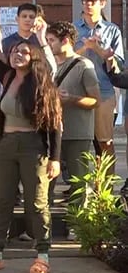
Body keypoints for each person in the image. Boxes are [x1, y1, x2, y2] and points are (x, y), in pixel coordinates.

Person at [0, 3, 62, 273]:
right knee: (2, 200)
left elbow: (54, 123)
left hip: (33, 148)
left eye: (23, 51)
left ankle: (42, 254)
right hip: (4, 146)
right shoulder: (8, 75)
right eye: (14, 51)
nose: (17, 54)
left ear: (34, 56)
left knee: (36, 203)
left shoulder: (42, 82)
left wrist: (55, 158)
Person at [45, 21, 99, 229]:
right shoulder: (50, 66)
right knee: (46, 181)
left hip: (77, 132)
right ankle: (42, 228)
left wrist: (72, 99)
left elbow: (95, 100)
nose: (49, 45)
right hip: (52, 132)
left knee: (78, 182)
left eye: (52, 41)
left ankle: (78, 227)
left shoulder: (83, 66)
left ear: (65, 41)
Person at [74, 0, 123, 173]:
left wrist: (98, 49)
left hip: (103, 91)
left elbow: (117, 63)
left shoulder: (112, 31)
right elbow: (64, 56)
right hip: (76, 91)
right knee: (79, 143)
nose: (88, 4)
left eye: (93, 1)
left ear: (102, 4)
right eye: (85, 0)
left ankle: (105, 188)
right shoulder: (73, 28)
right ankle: (78, 188)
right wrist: (85, 47)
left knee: (104, 142)